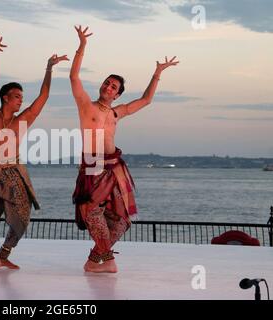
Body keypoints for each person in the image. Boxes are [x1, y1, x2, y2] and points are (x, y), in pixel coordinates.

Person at [70, 25, 179, 273]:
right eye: (107, 83)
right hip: (93, 165)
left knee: (121, 220)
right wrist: (82, 45)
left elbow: (146, 100)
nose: (108, 87)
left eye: (113, 87)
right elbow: (74, 77)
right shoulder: (87, 106)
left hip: (114, 167)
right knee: (92, 213)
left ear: (117, 95)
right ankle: (107, 259)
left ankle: (95, 259)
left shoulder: (116, 112)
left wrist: (157, 72)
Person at [0, 32, 68, 269]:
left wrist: (49, 68)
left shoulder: (22, 121)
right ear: (5, 97)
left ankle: (4, 254)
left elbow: (43, 97)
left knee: (22, 217)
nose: (21, 100)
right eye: (16, 96)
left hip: (12, 171)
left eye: (22, 97)